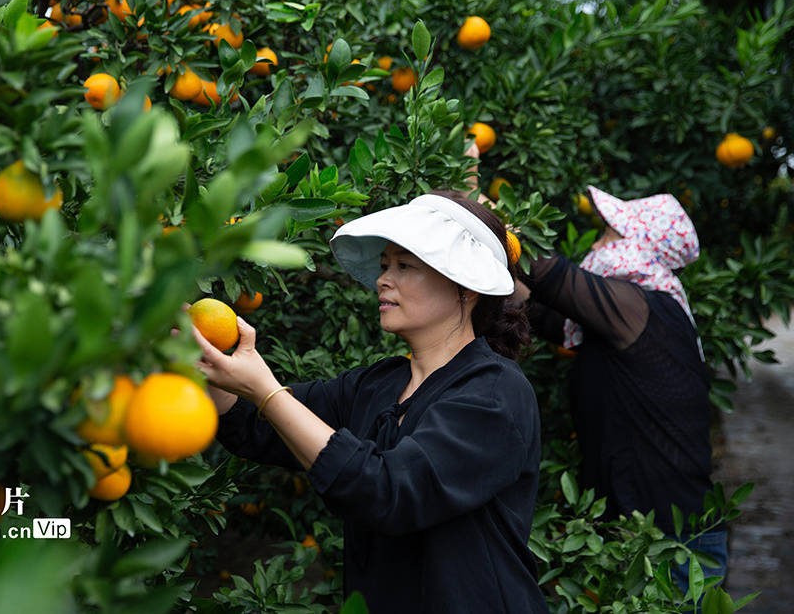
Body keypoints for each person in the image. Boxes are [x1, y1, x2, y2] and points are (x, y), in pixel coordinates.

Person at [191, 191, 549, 613]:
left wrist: (266, 390)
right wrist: (204, 359)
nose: (383, 280)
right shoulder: (379, 384)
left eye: (404, 266)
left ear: (464, 287)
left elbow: (388, 491)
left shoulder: (494, 393)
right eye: (383, 266)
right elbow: (255, 423)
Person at [514, 185, 727, 597]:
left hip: (674, 546)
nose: (596, 242)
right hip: (628, 535)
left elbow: (549, 275)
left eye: (608, 234)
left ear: (637, 248)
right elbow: (532, 308)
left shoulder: (645, 310)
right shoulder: (615, 319)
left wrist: (488, 216)